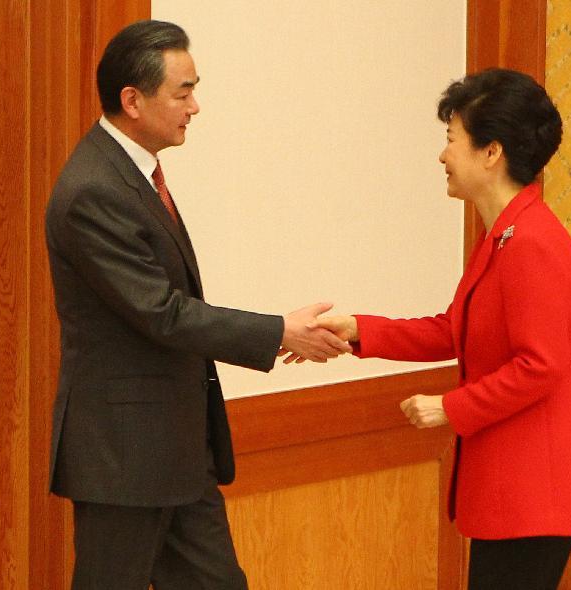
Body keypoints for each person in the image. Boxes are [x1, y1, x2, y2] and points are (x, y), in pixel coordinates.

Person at [45, 20, 350, 590]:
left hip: (178, 449)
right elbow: (162, 312)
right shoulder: (94, 188)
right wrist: (278, 331)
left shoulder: (131, 174)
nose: (195, 107)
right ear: (132, 101)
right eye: (182, 92)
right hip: (125, 455)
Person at [306, 69, 571, 589]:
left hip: (538, 486)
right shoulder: (504, 233)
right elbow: (457, 330)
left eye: (452, 139)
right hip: (517, 484)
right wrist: (358, 329)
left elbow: (542, 365)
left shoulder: (530, 242)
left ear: (491, 152)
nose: (442, 156)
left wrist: (450, 407)